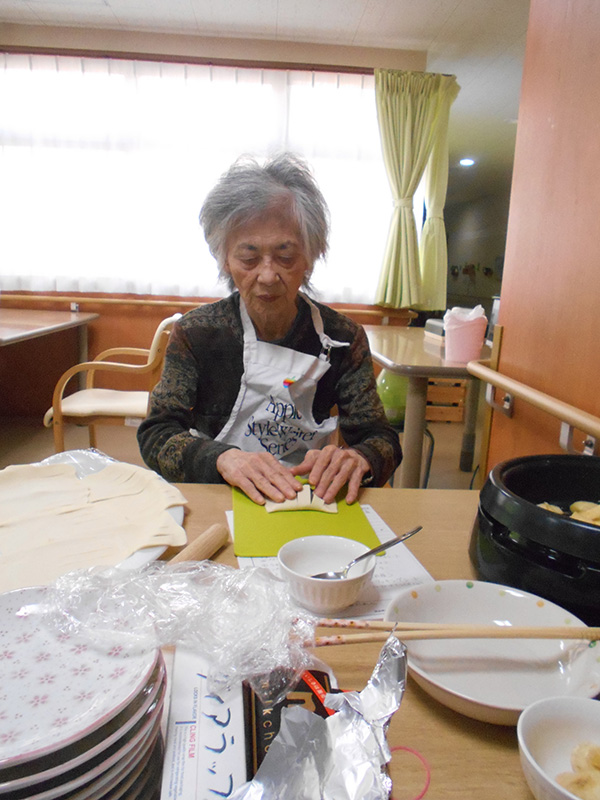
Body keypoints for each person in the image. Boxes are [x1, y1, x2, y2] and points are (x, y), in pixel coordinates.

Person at [137, 153, 402, 505]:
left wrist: (360, 459)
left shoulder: (342, 339)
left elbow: (380, 438)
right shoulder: (197, 333)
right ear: (225, 260)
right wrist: (220, 458)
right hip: (219, 495)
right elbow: (157, 433)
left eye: (285, 256)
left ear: (310, 256)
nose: (267, 275)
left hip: (309, 499)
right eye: (248, 258)